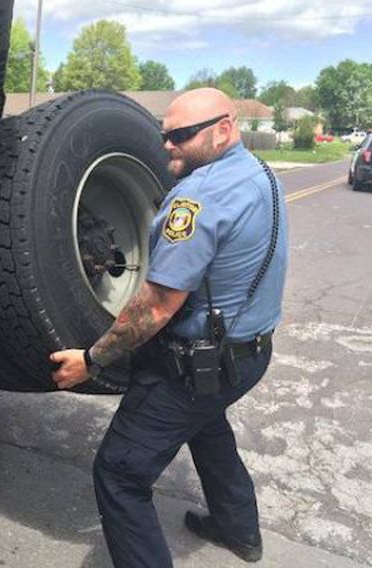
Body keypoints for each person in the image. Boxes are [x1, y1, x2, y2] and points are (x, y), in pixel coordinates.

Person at [50, 87, 288, 567]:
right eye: (165, 135)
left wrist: (91, 361)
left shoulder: (197, 198)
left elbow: (156, 307)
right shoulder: (259, 174)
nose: (167, 146)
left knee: (120, 474)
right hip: (249, 356)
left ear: (224, 129)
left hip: (192, 367)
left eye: (180, 136)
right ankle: (239, 529)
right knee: (207, 427)